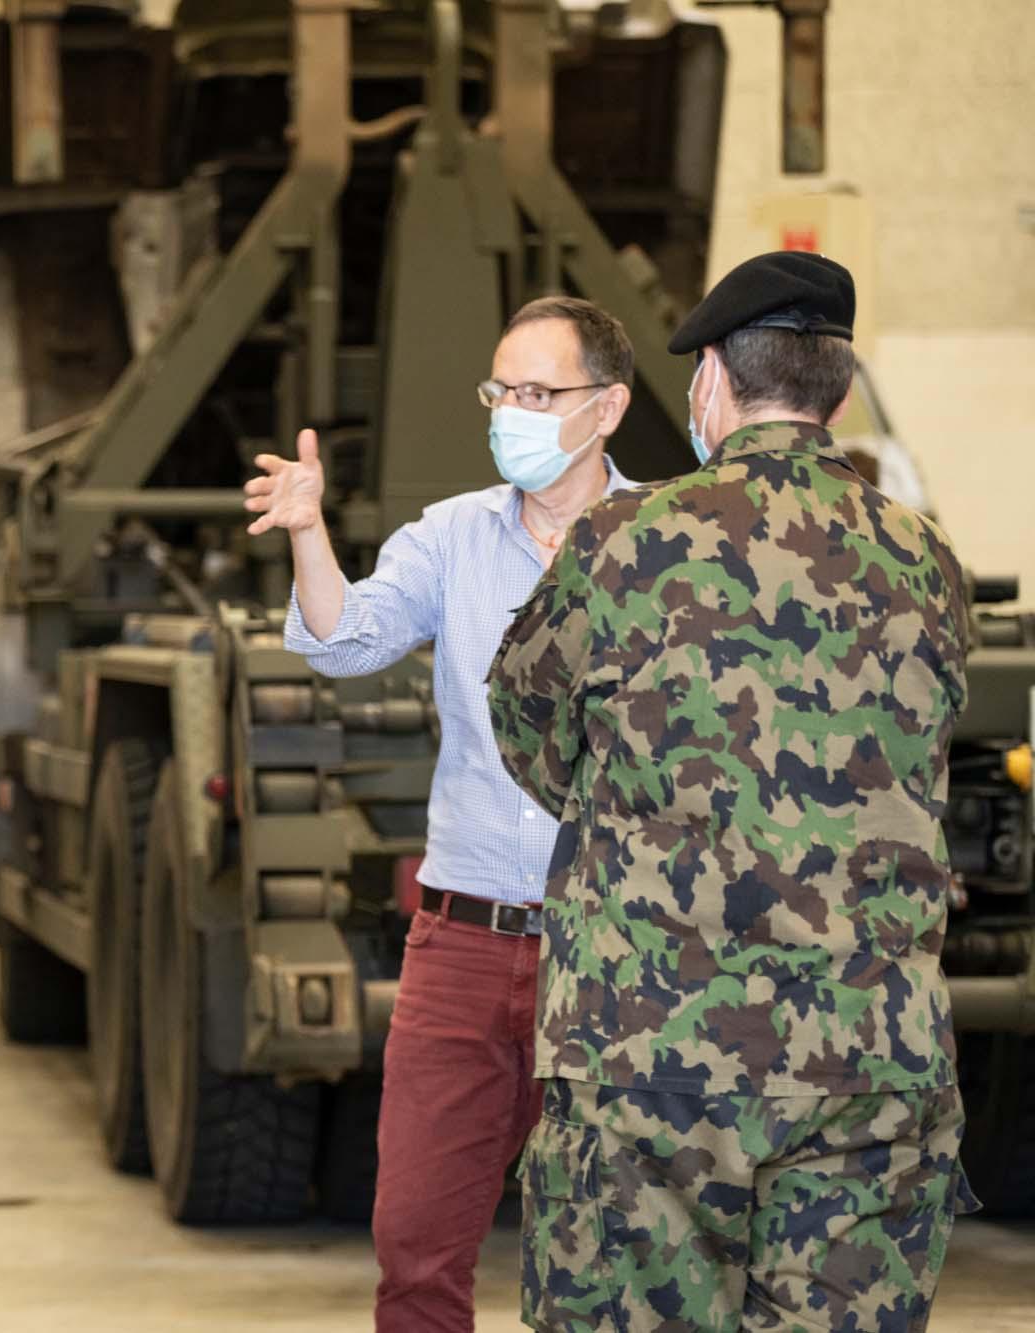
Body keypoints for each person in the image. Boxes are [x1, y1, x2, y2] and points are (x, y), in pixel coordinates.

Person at [489, 252, 980, 1331]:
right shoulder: (924, 560)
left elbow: (529, 733)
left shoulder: (619, 546)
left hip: (648, 1066)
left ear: (707, 378)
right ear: (837, 391)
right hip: (867, 1063)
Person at [245, 296, 636, 1331]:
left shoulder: (665, 548)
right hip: (460, 943)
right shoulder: (454, 535)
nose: (509, 410)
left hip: (611, 953)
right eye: (499, 390)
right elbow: (343, 639)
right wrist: (306, 531)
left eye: (536, 393)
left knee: (603, 1262)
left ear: (604, 410)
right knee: (414, 1251)